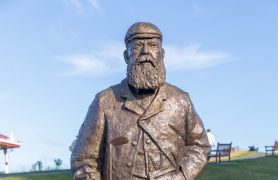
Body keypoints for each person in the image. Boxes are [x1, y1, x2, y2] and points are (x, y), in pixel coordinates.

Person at [71, 22, 211, 180]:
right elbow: (84, 161)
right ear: (126, 56)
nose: (145, 52)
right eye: (137, 46)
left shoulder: (180, 100)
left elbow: (200, 147)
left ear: (162, 54)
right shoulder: (104, 101)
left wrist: (180, 177)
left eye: (152, 45)